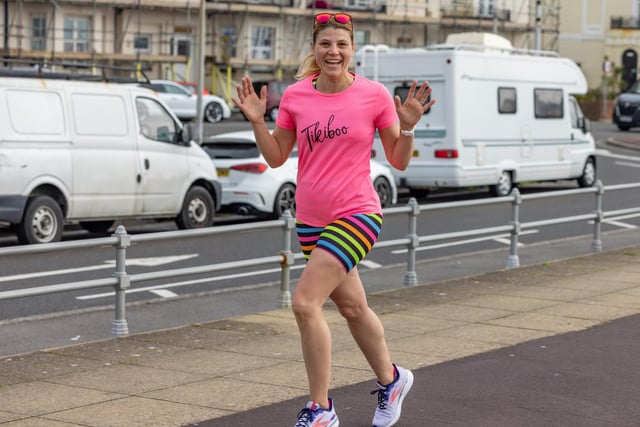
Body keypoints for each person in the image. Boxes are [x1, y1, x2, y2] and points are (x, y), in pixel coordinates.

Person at [233, 12, 435, 427]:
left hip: (357, 213)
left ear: (352, 50)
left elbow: (397, 161)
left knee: (305, 303)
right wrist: (257, 120)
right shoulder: (295, 97)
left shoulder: (374, 95)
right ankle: (392, 380)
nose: (333, 52)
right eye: (325, 44)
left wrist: (409, 129)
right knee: (354, 308)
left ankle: (321, 409)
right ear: (315, 49)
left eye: (341, 45)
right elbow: (276, 157)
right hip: (310, 220)